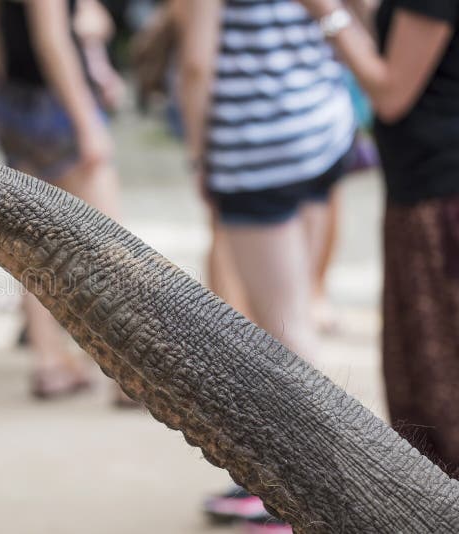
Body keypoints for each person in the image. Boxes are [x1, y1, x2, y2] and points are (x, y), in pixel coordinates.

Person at [174, 0, 356, 529]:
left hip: (259, 151)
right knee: (292, 312)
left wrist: (198, 158)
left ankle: (302, 493)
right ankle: (279, 480)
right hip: (320, 131)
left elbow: (195, 64)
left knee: (284, 327)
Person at [294, 0, 459, 477]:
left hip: (439, 198)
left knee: (437, 383)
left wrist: (326, 14)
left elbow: (390, 93)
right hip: (423, 190)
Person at [0, 0, 125, 401]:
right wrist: (87, 122)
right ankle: (127, 372)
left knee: (31, 242)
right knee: (107, 244)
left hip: (13, 100)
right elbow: (51, 39)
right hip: (55, 105)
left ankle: (49, 361)